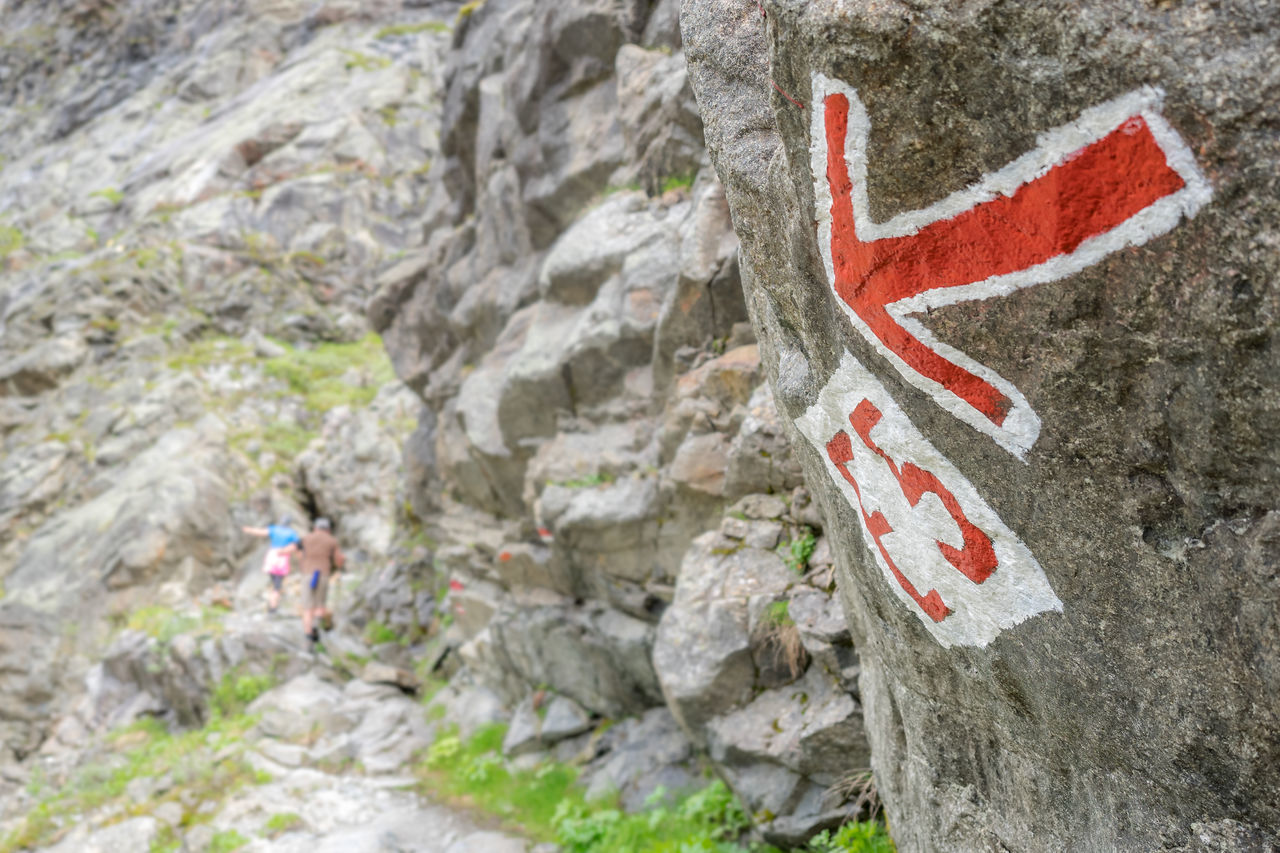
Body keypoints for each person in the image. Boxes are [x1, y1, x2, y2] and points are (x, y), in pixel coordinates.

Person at [298, 517, 344, 645]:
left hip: (307, 573)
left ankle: (307, 633)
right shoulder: (332, 540)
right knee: (319, 605)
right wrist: (340, 564)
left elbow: (299, 553)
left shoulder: (306, 538)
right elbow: (338, 560)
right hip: (322, 573)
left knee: (307, 607)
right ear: (328, 529)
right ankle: (316, 627)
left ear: (315, 528)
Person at [242, 516, 301, 613]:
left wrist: (249, 530)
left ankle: (272, 603)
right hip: (282, 557)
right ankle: (273, 606)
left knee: (274, 582)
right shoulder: (292, 533)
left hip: (272, 556)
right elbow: (297, 546)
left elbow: (261, 532)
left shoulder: (274, 529)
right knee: (277, 585)